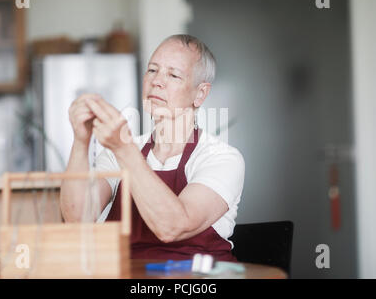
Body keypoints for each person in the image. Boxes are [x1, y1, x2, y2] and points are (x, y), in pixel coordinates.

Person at [60, 34, 245, 261]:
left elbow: (173, 227)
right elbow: (77, 219)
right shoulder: (120, 150)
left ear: (200, 94)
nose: (157, 81)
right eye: (152, 70)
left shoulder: (222, 159)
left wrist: (124, 149)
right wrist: (81, 140)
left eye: (174, 75)